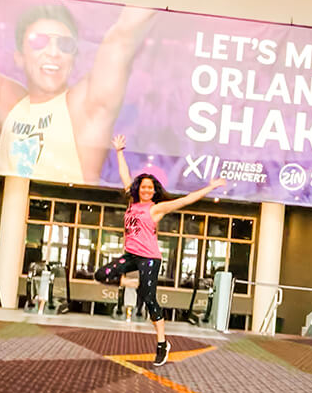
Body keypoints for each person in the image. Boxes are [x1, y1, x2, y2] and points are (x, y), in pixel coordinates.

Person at [0, 0, 155, 183]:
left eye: (65, 45)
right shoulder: (10, 103)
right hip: (3, 219)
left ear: (74, 59)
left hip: (58, 223)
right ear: (19, 57)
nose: (53, 52)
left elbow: (122, 39)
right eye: (39, 41)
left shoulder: (84, 108)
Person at [95, 135, 226, 367]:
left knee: (149, 299)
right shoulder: (131, 202)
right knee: (101, 274)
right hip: (131, 255)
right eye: (143, 186)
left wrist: (211, 187)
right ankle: (138, 285)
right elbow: (125, 174)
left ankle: (162, 343)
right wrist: (118, 152)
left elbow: (186, 200)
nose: (146, 190)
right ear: (139, 188)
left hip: (150, 258)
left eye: (150, 187)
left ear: (154, 191)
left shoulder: (157, 208)